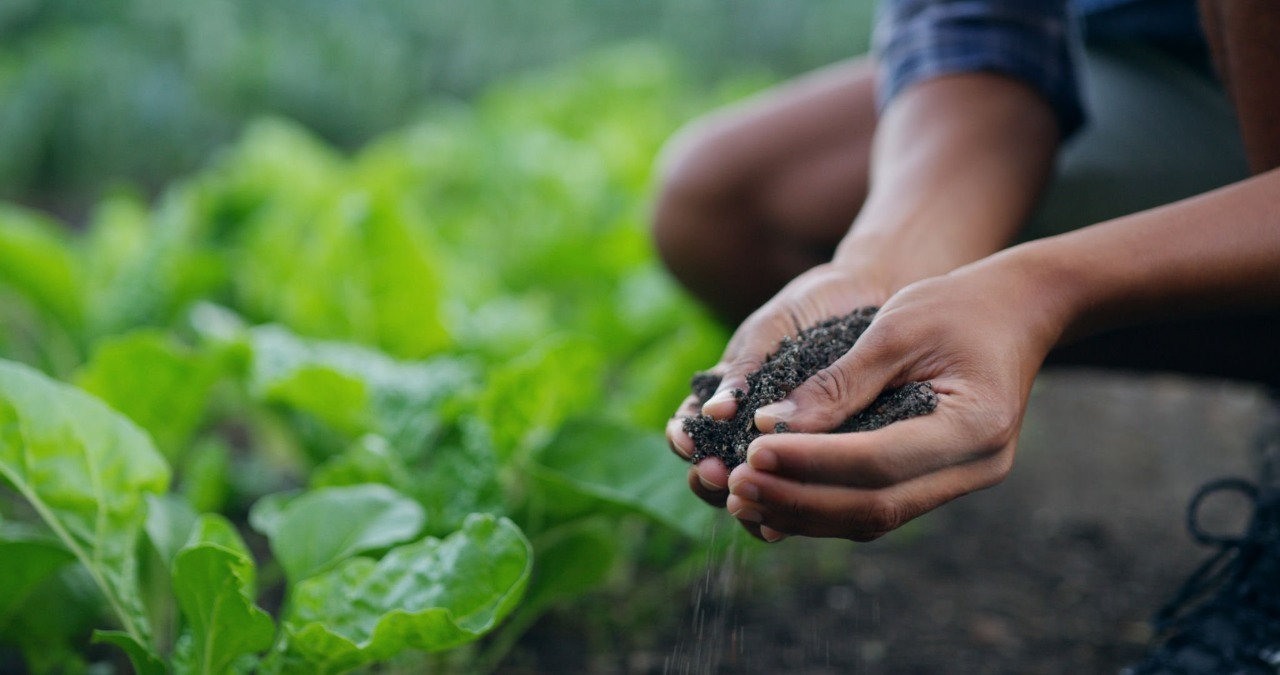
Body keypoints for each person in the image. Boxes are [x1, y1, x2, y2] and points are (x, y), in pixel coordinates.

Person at [656, 0, 1280, 671]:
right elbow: (983, 31)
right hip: (1178, 71)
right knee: (725, 204)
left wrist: (1046, 288)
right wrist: (885, 266)